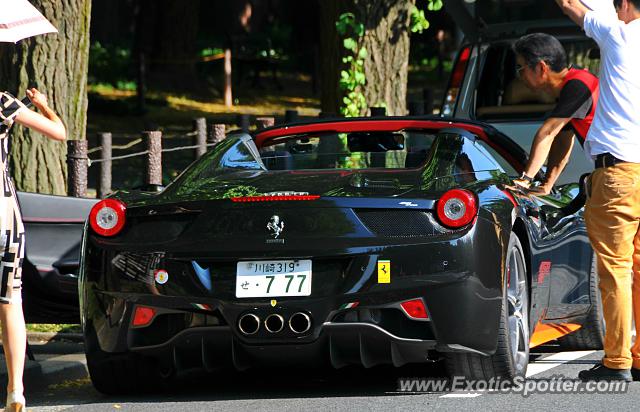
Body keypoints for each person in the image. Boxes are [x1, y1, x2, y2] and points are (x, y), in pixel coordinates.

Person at [555, 0, 640, 382]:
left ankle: (617, 360)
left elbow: (570, 5)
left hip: (619, 171)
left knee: (616, 269)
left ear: (624, 5)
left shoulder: (618, 34)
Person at [0, 88, 65, 410]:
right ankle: (16, 389)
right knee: (11, 301)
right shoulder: (3, 102)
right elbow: (59, 133)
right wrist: (44, 106)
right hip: (4, 217)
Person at [511, 33, 599, 194]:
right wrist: (547, 185)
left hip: (625, 171)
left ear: (541, 67)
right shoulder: (573, 85)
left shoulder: (578, 86)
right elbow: (562, 141)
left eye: (521, 68)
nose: (519, 76)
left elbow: (548, 132)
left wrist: (525, 180)